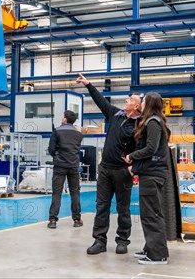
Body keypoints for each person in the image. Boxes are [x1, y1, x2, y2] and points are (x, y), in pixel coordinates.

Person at [76, 73, 141, 255]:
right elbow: (100, 101)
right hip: (105, 169)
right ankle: (99, 240)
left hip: (122, 171)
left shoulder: (139, 125)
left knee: (123, 208)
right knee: (101, 206)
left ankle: (122, 241)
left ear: (136, 106)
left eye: (130, 99)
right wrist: (88, 84)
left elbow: (142, 149)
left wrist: (133, 166)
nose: (126, 100)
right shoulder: (115, 115)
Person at [124, 92, 171, 265]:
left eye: (143, 101)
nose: (141, 104)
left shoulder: (152, 123)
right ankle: (151, 248)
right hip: (150, 173)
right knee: (149, 213)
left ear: (149, 104)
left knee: (151, 214)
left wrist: (131, 156)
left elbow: (151, 148)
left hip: (152, 175)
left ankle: (158, 255)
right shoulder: (155, 122)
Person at [47, 110, 84, 229]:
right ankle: (77, 219)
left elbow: (51, 149)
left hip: (59, 166)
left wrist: (57, 155)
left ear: (65, 119)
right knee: (75, 193)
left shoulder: (57, 131)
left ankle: (53, 220)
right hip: (73, 166)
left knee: (56, 193)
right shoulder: (79, 134)